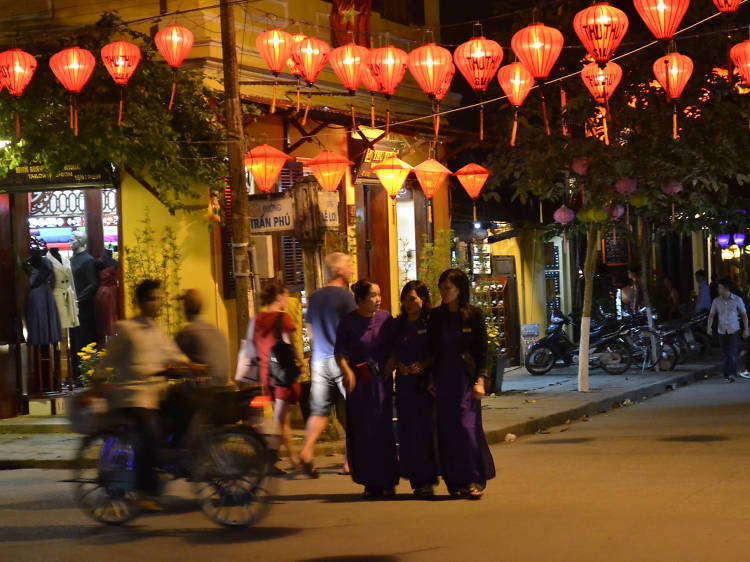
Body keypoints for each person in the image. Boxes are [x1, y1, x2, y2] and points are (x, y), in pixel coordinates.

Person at [101, 279, 192, 500]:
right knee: (152, 435)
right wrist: (98, 381)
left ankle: (176, 460)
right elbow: (107, 360)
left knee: (187, 404)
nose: (156, 303)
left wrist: (191, 366)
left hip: (157, 392)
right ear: (140, 302)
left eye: (158, 299)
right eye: (151, 299)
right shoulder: (126, 329)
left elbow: (173, 354)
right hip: (134, 395)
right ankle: (143, 491)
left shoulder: (157, 330)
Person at [429, 268, 495, 498]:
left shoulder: (473, 315)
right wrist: (429, 378)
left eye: (448, 288)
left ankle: (474, 478)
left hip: (465, 380)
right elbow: (431, 350)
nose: (444, 292)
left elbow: (482, 351)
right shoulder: (436, 317)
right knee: (447, 432)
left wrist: (480, 380)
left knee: (467, 428)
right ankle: (454, 481)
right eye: (442, 288)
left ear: (460, 289)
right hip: (443, 380)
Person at [335, 279, 398, 497]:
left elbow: (394, 347)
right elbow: (340, 352)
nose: (378, 299)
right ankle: (370, 481)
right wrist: (347, 371)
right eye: (372, 296)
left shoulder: (385, 319)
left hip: (381, 381)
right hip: (360, 384)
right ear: (360, 300)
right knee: (363, 432)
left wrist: (391, 365)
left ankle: (388, 480)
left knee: (383, 431)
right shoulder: (349, 322)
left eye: (379, 294)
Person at [298, 252, 356, 477]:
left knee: (320, 411)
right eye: (349, 265)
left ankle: (306, 449)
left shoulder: (315, 297)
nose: (351, 269)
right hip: (341, 361)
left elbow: (310, 332)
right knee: (350, 414)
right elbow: (353, 329)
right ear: (339, 270)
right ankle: (349, 462)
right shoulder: (345, 297)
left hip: (319, 360)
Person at [386, 280, 438, 497]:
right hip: (405, 385)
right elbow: (392, 353)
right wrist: (398, 366)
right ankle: (416, 480)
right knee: (408, 433)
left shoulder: (431, 323)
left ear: (423, 299)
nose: (408, 303)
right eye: (405, 299)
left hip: (426, 385)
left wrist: (423, 365)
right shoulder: (398, 325)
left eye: (412, 298)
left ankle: (428, 480)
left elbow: (439, 351)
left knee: (425, 433)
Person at [253, 280, 304, 472]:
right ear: (279, 296)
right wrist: (300, 362)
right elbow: (289, 345)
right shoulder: (284, 319)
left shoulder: (259, 319)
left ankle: (292, 459)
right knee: (281, 418)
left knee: (283, 418)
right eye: (286, 295)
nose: (287, 299)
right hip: (281, 374)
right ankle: (269, 458)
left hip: (267, 373)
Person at [175, 289, 230, 387]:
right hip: (223, 389)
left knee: (171, 392)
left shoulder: (188, 331)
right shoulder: (216, 331)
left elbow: (170, 357)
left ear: (185, 307)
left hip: (202, 390)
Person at [706, 278, 750, 383]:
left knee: (732, 353)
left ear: (726, 289)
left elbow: (744, 315)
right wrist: (709, 327)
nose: (718, 289)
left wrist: (746, 329)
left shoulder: (737, 300)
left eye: (720, 287)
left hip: (734, 329)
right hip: (722, 330)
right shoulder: (716, 301)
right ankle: (727, 374)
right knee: (725, 353)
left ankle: (732, 374)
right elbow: (711, 315)